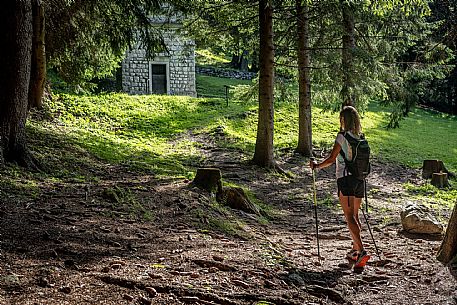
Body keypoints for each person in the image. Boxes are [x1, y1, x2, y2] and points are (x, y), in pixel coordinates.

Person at [309, 105, 370, 268]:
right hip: (359, 180)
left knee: (349, 217)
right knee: (355, 216)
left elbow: (331, 159)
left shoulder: (342, 136)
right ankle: (355, 251)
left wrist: (316, 166)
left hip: (345, 179)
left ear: (344, 119)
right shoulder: (360, 136)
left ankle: (362, 252)